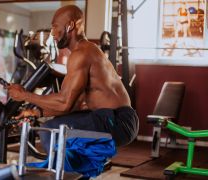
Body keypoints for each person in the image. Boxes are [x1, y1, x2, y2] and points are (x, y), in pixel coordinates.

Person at [7, 5, 139, 153]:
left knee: (51, 131)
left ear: (70, 26)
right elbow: (75, 105)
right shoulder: (86, 50)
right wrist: (37, 112)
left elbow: (64, 102)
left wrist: (24, 95)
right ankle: (76, 173)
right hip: (116, 118)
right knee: (55, 126)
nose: (52, 33)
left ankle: (63, 174)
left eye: (55, 26)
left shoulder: (81, 53)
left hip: (118, 121)